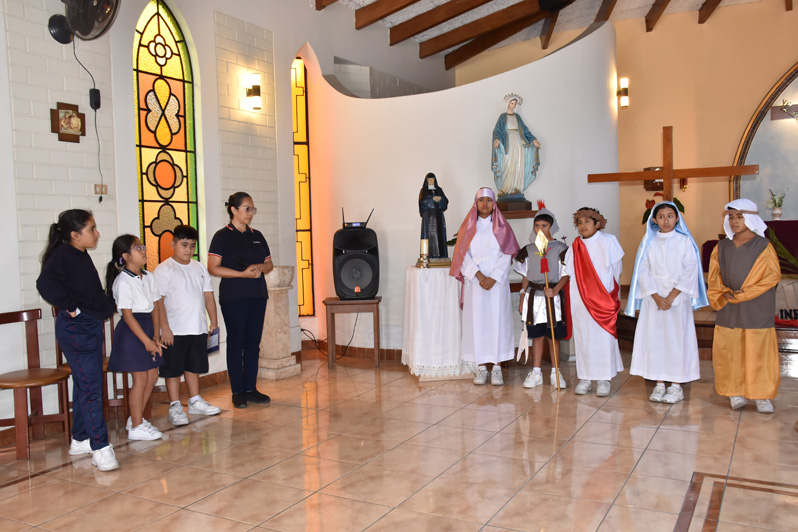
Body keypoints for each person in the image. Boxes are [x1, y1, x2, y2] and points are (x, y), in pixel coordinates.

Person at [36, 209, 119, 471]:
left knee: (85, 385)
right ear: (74, 235)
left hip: (88, 327)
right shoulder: (63, 255)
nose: (97, 233)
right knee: (92, 387)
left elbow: (88, 292)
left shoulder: (79, 254)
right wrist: (71, 306)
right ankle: (100, 447)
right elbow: (45, 284)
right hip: (77, 330)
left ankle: (81, 439)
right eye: (91, 229)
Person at [625, 202, 708, 404]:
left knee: (676, 341)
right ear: (654, 220)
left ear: (677, 218)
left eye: (670, 216)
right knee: (655, 340)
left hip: (678, 297)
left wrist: (670, 297)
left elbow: (690, 269)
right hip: (653, 299)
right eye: (661, 217)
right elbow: (643, 270)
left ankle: (676, 385)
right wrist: (656, 297)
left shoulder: (684, 241)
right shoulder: (649, 242)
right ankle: (660, 383)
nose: (666, 220)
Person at [707, 199, 781, 413]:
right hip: (729, 304)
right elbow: (714, 276)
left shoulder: (763, 246)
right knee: (731, 351)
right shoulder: (721, 247)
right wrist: (723, 292)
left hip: (757, 306)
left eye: (739, 217)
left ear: (750, 218)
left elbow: (772, 276)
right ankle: (735, 391)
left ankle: (761, 395)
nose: (734, 221)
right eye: (731, 217)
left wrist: (746, 293)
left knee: (758, 351)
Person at [208, 192, 273, 408]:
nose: (250, 213)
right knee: (237, 343)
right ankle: (237, 391)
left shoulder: (257, 235)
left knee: (253, 343)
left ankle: (251, 388)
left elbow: (269, 264)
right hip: (234, 297)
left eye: (253, 209)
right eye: (247, 208)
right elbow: (213, 268)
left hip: (258, 295)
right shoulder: (222, 236)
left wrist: (259, 267)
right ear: (233, 210)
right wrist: (242, 274)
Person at [449, 187, 520, 385]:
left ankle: (497, 368)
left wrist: (493, 277)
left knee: (498, 322)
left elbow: (508, 254)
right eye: (481, 200)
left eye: (489, 200)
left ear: (494, 204)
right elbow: (463, 255)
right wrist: (479, 276)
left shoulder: (502, 227)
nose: (485, 204)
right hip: (476, 283)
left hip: (497, 283)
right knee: (477, 323)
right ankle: (481, 368)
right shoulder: (468, 227)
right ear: (476, 203)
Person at [154, 225, 221, 426]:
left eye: (192, 246)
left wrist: (213, 322)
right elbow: (158, 302)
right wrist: (165, 328)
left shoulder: (199, 268)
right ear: (173, 244)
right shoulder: (164, 269)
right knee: (173, 369)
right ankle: (175, 405)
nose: (188, 250)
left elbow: (208, 296)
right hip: (174, 330)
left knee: (194, 365)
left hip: (197, 327)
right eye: (184, 245)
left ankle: (194, 401)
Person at [106, 235, 165, 441]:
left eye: (142, 246)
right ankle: (137, 425)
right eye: (137, 248)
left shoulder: (148, 276)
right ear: (125, 256)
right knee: (140, 378)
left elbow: (156, 306)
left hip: (148, 328)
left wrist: (155, 335)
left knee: (152, 376)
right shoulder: (123, 281)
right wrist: (146, 341)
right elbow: (128, 315)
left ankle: (135, 418)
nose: (143, 250)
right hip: (132, 333)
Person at [564, 207, 624, 397]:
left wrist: (609, 295)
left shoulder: (609, 241)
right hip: (580, 299)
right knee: (583, 337)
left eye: (587, 221)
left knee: (603, 338)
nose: (582, 226)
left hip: (602, 299)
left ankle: (604, 379)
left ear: (597, 224)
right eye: (579, 223)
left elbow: (616, 271)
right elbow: (568, 272)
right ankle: (585, 378)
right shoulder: (575, 246)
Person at [515, 202, 569, 389]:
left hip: (552, 297)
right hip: (534, 298)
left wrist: (555, 290)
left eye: (544, 225)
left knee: (553, 337)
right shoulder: (529, 250)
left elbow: (566, 274)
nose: (540, 229)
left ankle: (555, 372)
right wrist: (523, 296)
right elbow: (525, 275)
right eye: (537, 226)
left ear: (551, 227)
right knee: (536, 335)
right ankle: (536, 372)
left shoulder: (561, 248)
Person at [491, 94, 541, 198]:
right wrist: (497, 139)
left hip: (518, 143)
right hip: (508, 144)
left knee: (518, 163)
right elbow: (498, 130)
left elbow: (525, 130)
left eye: (515, 104)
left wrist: (533, 140)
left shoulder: (517, 117)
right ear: (508, 104)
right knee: (508, 164)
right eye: (512, 103)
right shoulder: (502, 117)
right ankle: (505, 188)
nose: (513, 106)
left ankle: (516, 188)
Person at [418, 172, 449, 259]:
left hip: (438, 216)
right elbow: (421, 202)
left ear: (435, 180)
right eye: (429, 179)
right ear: (426, 180)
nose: (431, 181)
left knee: (440, 237)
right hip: (428, 217)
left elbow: (445, 201)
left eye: (432, 179)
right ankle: (427, 257)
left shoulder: (439, 190)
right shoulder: (423, 190)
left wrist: (440, 199)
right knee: (428, 237)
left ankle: (441, 257)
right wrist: (432, 199)